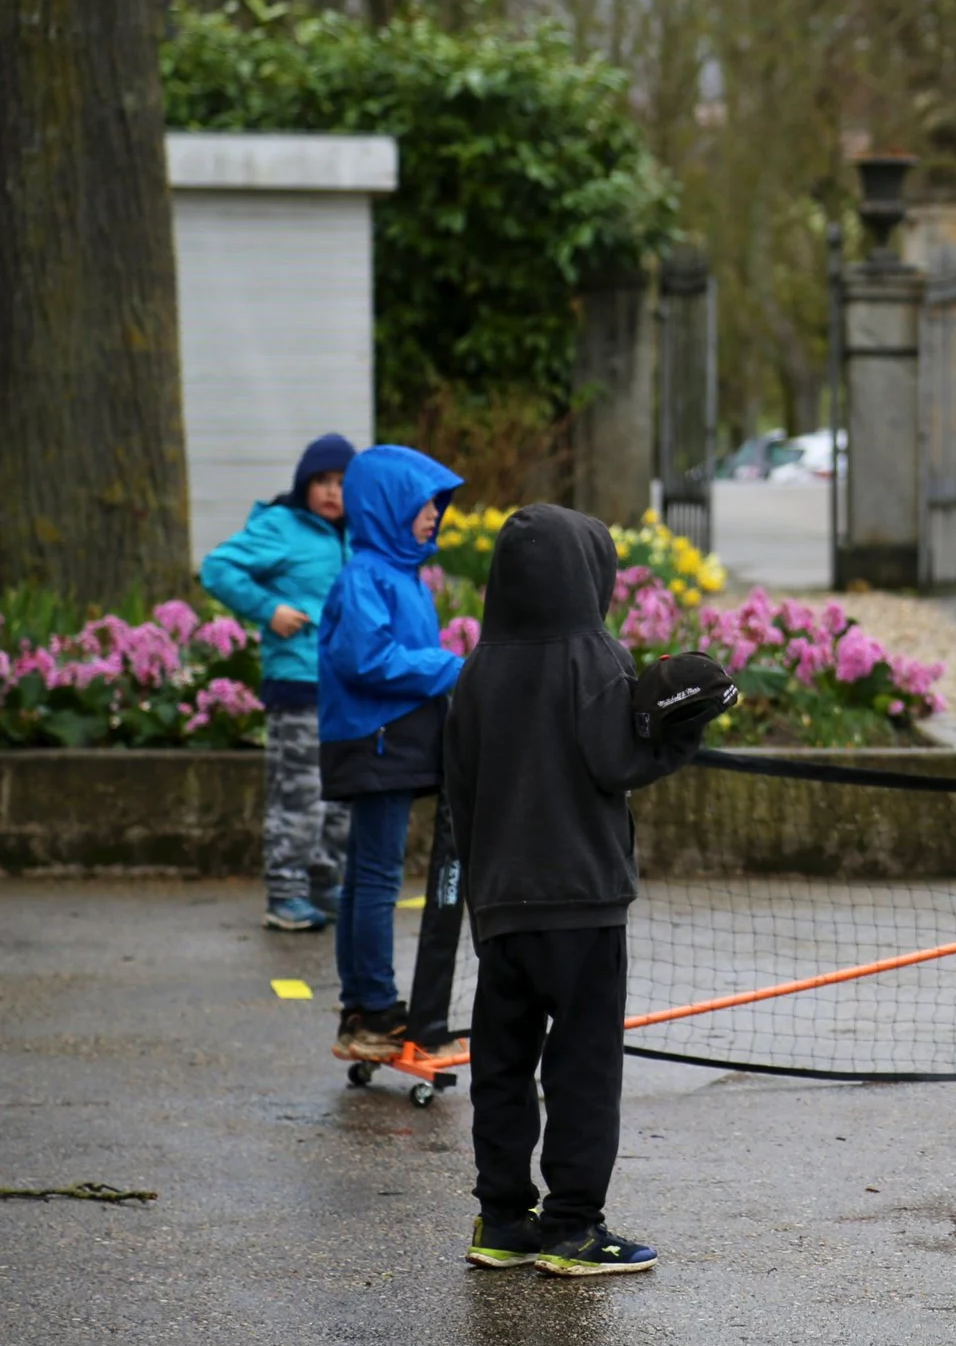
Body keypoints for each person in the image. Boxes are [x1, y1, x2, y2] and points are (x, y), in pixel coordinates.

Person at [446, 505, 729, 1278]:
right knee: (582, 1065)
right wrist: (681, 726)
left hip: (503, 905)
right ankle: (574, 1224)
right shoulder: (594, 656)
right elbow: (620, 761)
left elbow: (459, 793)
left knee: (501, 1065)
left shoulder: (477, 669)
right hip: (583, 902)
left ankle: (503, 1218)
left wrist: (479, 897)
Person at [317, 444, 464, 1062]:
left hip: (385, 740)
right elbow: (368, 659)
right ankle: (375, 1011)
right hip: (377, 742)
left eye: (436, 504)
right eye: (422, 503)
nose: (434, 515)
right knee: (376, 878)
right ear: (385, 507)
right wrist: (453, 666)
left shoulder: (396, 574)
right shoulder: (367, 576)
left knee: (365, 879)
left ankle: (363, 1006)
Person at [199, 433, 356, 932]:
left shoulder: (357, 535)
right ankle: (285, 892)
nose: (333, 492)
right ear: (303, 484)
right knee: (300, 795)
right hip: (298, 686)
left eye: (343, 483)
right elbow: (218, 567)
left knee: (339, 798)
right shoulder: (281, 527)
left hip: (345, 689)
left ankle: (323, 883)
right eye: (322, 481)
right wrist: (270, 610)